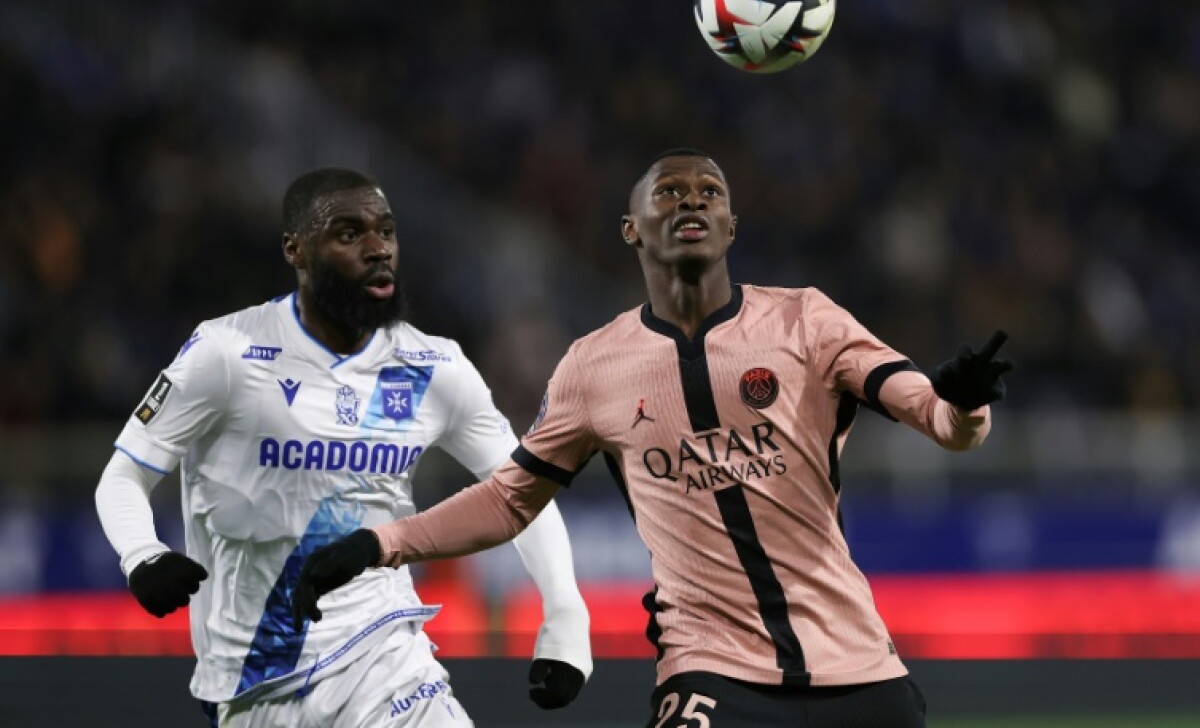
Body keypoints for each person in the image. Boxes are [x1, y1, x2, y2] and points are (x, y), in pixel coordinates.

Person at [292, 150, 1012, 727]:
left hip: (859, 669)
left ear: (731, 227)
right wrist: (382, 543)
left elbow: (942, 423)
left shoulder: (807, 322)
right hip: (713, 673)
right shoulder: (593, 366)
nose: (691, 201)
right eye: (669, 192)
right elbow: (510, 499)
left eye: (709, 192)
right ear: (631, 228)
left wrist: (966, 402)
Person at [95, 167, 591, 727]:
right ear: (296, 250)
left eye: (387, 231)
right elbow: (124, 474)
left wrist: (565, 613)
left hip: (388, 659)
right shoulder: (226, 352)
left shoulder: (434, 366)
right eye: (350, 234)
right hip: (255, 684)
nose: (378, 249)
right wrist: (142, 554)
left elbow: (520, 492)